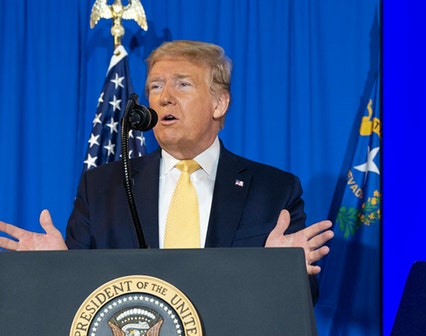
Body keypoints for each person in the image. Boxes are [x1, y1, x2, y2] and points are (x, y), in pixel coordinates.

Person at [0, 40, 333, 300]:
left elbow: (306, 300)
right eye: (155, 87)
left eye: (182, 84)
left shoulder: (272, 190)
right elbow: (78, 298)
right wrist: (57, 266)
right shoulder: (103, 187)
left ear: (219, 103)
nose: (163, 98)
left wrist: (280, 271)